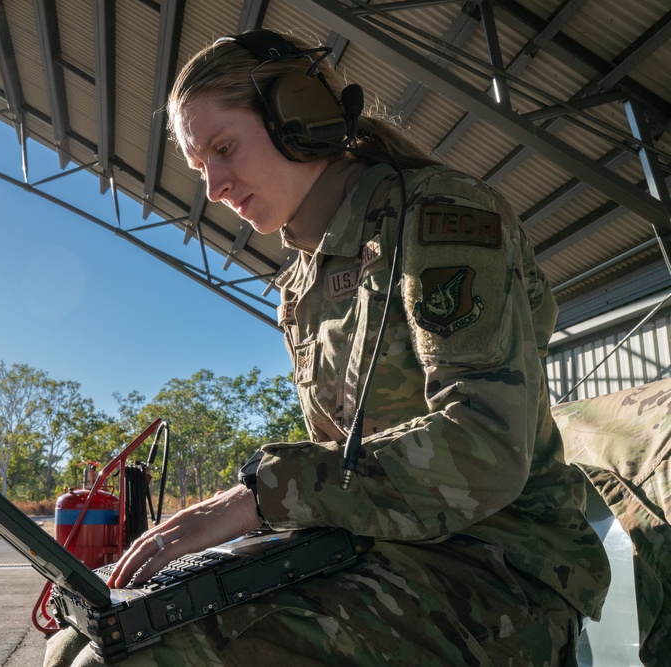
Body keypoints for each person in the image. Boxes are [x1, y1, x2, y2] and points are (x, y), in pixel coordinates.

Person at [45, 28, 610, 667]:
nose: (215, 188)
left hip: (500, 568)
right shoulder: (303, 285)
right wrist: (237, 521)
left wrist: (261, 496)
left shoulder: (437, 217)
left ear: (298, 117)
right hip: (378, 551)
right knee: (88, 641)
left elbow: (485, 446)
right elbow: (341, 462)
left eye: (224, 148)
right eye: (201, 168)